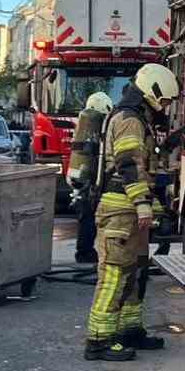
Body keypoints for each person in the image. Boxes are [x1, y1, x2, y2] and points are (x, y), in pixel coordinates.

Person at [85, 63, 179, 362]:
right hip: (120, 211)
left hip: (130, 211)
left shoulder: (139, 118)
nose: (165, 107)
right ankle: (98, 340)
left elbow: (145, 168)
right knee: (114, 274)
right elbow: (128, 164)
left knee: (135, 273)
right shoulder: (129, 120)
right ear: (151, 92)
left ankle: (129, 330)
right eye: (164, 100)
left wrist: (157, 207)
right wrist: (141, 203)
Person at [67, 91, 113, 265]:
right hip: (90, 178)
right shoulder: (94, 122)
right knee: (88, 216)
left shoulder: (86, 122)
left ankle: (85, 250)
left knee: (86, 216)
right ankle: (84, 252)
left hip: (81, 175)